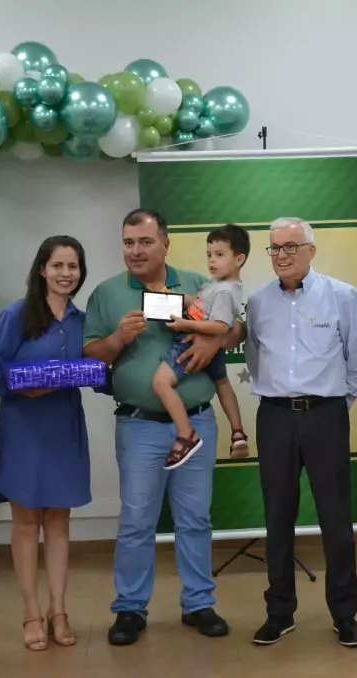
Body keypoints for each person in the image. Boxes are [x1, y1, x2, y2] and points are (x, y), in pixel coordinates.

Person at [83, 208, 244, 646]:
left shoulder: (199, 283)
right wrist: (118, 338)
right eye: (129, 243)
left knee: (195, 518)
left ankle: (199, 604)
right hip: (138, 426)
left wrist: (215, 338)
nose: (136, 251)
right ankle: (130, 609)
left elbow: (237, 328)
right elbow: (92, 355)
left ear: (165, 244)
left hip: (196, 422)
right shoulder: (107, 293)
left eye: (145, 242)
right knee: (137, 520)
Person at [244, 217, 357, 647]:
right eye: (274, 248)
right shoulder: (258, 301)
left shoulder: (342, 295)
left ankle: (345, 613)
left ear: (311, 251)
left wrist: (337, 404)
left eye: (290, 247)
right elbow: (255, 356)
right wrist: (281, 396)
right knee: (278, 518)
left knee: (336, 518)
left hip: (326, 416)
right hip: (275, 417)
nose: (281, 255)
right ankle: (279, 612)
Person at [0, 235, 91, 652]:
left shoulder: (83, 319)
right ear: (42, 269)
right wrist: (26, 387)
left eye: (73, 266)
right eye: (58, 265)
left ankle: (58, 610)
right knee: (26, 523)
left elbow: (95, 366)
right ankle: (30, 611)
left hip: (64, 426)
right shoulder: (17, 314)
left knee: (59, 523)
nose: (66, 274)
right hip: (23, 427)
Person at [151, 224, 250, 470]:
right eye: (209, 254)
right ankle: (238, 433)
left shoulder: (226, 291)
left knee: (160, 383)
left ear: (239, 259)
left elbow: (220, 327)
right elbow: (200, 302)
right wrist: (172, 298)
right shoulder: (217, 284)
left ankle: (186, 434)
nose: (212, 261)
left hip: (189, 344)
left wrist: (184, 322)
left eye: (219, 254)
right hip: (199, 340)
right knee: (222, 382)